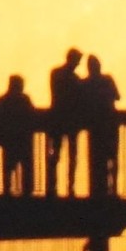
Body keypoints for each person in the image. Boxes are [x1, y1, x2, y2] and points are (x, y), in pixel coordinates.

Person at [46, 48, 83, 197]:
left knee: (56, 153)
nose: (78, 64)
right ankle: (70, 186)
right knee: (71, 154)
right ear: (72, 60)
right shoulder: (75, 79)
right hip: (71, 120)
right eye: (77, 61)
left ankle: (52, 185)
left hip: (57, 118)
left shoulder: (55, 73)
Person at [82, 54, 121, 196]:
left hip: (95, 126)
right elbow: (117, 96)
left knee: (97, 158)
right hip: (110, 122)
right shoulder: (107, 80)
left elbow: (81, 103)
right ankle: (113, 187)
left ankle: (98, 189)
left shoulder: (85, 83)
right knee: (112, 156)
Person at [0, 75, 36, 196]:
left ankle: (7, 191)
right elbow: (32, 116)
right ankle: (27, 193)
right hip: (22, 139)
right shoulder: (25, 100)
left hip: (9, 140)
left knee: (8, 167)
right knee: (25, 167)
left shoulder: (1, 101)